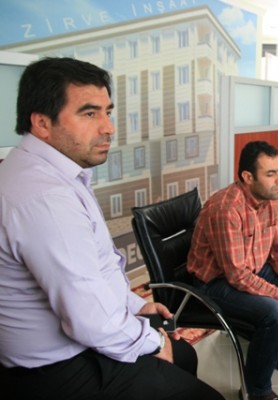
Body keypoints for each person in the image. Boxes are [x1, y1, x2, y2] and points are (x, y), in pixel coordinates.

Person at [0, 57, 223, 400]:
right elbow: (89, 319)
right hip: (56, 369)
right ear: (42, 123)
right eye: (90, 114)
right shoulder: (45, 197)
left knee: (184, 356)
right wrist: (152, 341)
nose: (109, 127)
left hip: (76, 340)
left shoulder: (52, 172)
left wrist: (135, 307)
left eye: (107, 112)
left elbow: (95, 272)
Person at [187, 141, 278, 400]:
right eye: (271, 173)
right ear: (248, 177)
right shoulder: (226, 209)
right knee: (275, 312)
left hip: (254, 270)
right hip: (214, 284)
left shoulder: (270, 199)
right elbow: (237, 275)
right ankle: (258, 391)